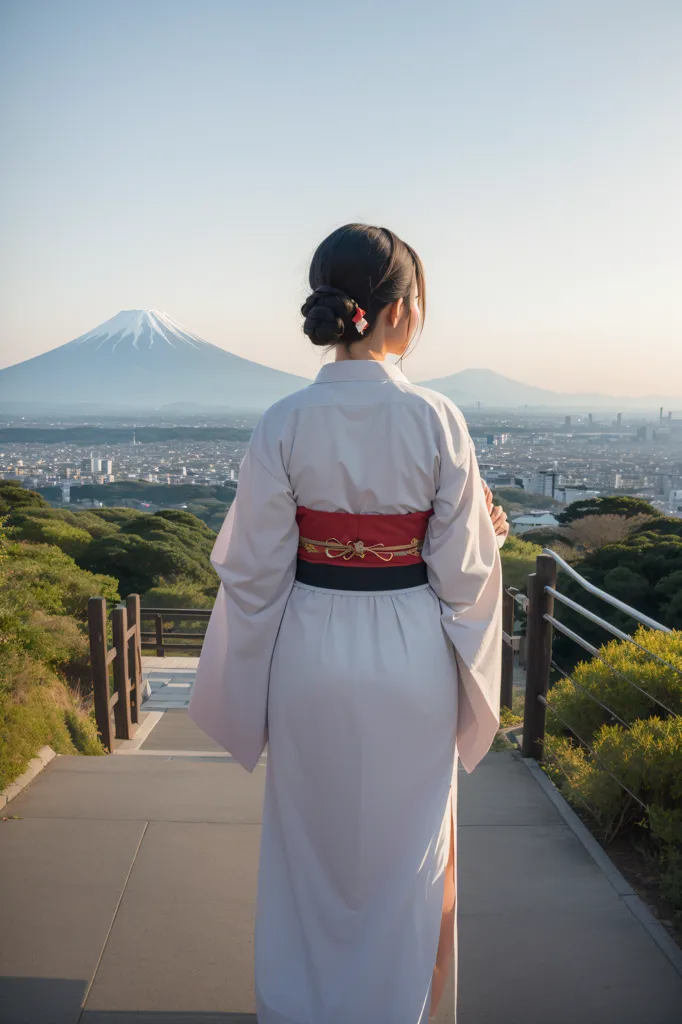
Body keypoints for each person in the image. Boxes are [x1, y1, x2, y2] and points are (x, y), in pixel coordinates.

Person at [188, 223, 506, 1024]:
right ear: (401, 311)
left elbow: (253, 572)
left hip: (308, 650)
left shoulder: (283, 420)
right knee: (408, 860)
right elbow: (463, 576)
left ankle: (299, 1006)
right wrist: (490, 540)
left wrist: (245, 681)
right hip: (410, 656)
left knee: (307, 854)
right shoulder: (438, 418)